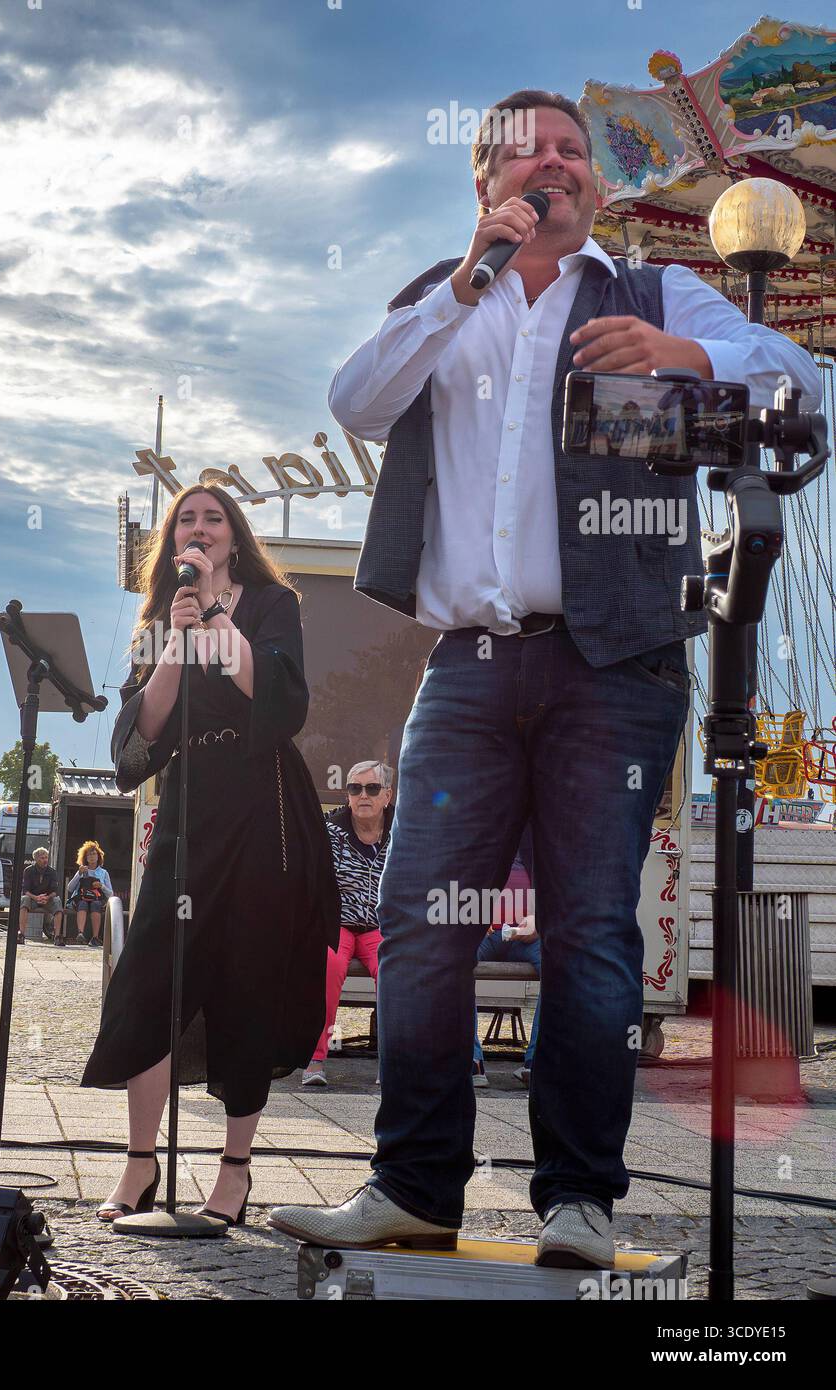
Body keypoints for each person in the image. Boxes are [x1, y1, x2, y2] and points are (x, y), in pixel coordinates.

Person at [270, 89, 821, 1268]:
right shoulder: (441, 297)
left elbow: (795, 383)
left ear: (596, 183)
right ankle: (412, 1184)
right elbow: (355, 402)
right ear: (484, 182)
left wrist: (683, 356)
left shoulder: (652, 289)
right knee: (421, 927)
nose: (554, 168)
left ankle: (577, 1198)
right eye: (526, 156)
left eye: (572, 152)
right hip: (467, 666)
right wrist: (467, 279)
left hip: (614, 664)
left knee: (591, 935)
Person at [82, 483, 339, 1227]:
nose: (199, 529)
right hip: (189, 805)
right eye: (186, 520)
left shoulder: (269, 604)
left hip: (262, 804)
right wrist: (173, 639)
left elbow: (284, 702)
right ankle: (139, 1166)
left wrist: (221, 623)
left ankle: (235, 1171)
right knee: (148, 980)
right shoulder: (160, 617)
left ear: (234, 536)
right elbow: (139, 736)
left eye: (212, 519)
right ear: (173, 540)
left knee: (247, 983)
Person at [301, 760, 394, 1089]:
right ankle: (315, 1057)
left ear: (387, 795)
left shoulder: (403, 834)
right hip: (337, 923)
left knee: (393, 971)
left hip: (380, 927)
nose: (363, 795)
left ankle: (393, 1061)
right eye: (355, 788)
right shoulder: (329, 831)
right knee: (328, 965)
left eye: (371, 788)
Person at [472, 835, 538, 1090]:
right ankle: (471, 1060)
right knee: (454, 962)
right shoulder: (482, 830)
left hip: (527, 935)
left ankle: (536, 1062)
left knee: (560, 965)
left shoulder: (538, 839)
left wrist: (539, 920)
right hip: (483, 932)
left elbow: (560, 886)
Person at [66, 840, 113, 948]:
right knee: (82, 903)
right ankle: (80, 933)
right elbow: (70, 888)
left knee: (95, 904)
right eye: (89, 854)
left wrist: (102, 886)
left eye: (94, 853)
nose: (92, 856)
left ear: (98, 856)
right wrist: (79, 874)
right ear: (85, 858)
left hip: (97, 899)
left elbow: (111, 894)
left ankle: (95, 937)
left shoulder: (104, 873)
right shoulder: (81, 870)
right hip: (82, 899)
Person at [19, 846, 62, 943]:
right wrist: (35, 897)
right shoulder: (28, 871)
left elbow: (55, 891)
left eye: (46, 857)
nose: (45, 860)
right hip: (33, 899)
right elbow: (25, 890)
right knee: (24, 900)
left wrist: (47, 897)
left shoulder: (52, 872)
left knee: (57, 901)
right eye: (42, 858)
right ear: (36, 859)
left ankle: (57, 936)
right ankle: (21, 934)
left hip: (47, 899)